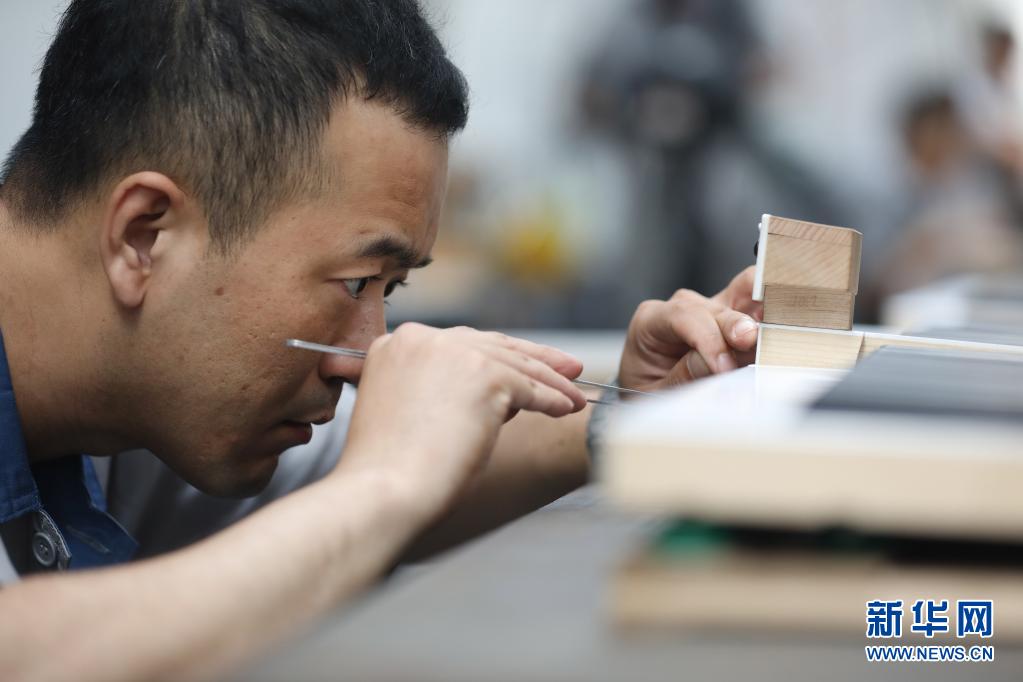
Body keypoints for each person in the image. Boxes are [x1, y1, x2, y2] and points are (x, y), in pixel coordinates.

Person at [0, 1, 761, 679]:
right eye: (357, 282)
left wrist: (635, 411)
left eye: (388, 292)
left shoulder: (144, 410)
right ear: (144, 236)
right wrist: (387, 483)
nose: (365, 356)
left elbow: (333, 496)